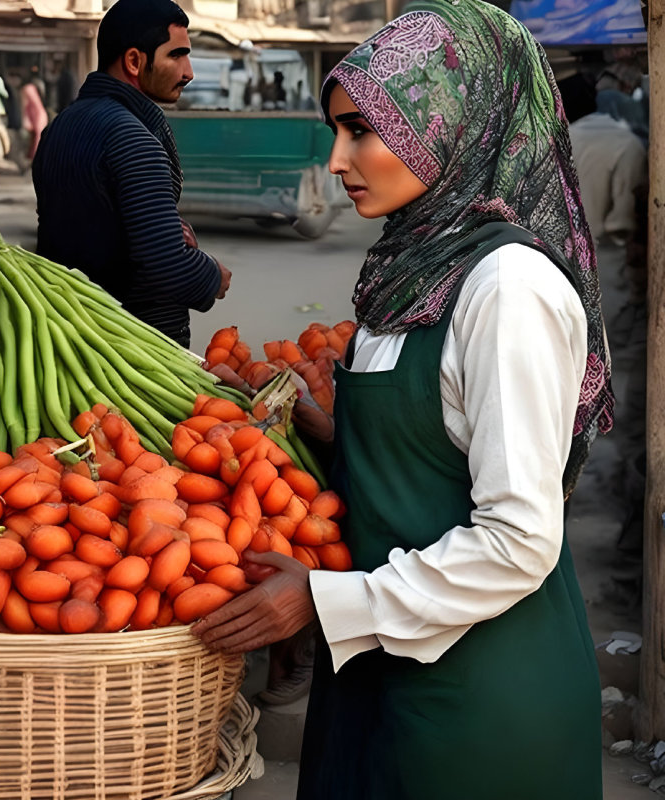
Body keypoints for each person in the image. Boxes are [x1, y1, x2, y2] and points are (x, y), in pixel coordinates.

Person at [192, 2, 614, 797]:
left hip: (478, 701)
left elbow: (521, 539)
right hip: (374, 675)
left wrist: (322, 602)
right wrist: (323, 433)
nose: (339, 159)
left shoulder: (506, 286)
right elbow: (425, 450)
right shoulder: (413, 269)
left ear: (455, 125)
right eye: (336, 131)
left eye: (362, 130)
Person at [32, 0, 231, 348]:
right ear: (135, 61)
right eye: (176, 55)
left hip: (67, 334)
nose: (189, 72)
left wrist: (163, 230)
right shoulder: (132, 139)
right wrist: (213, 274)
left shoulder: (59, 127)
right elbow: (168, 267)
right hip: (133, 347)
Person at [559, 73, 647, 245]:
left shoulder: (557, 142)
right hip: (609, 259)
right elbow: (622, 220)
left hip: (562, 253)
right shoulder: (628, 145)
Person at [20, 72, 49, 163]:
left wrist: (24, 119)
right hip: (39, 115)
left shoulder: (26, 89)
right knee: (37, 138)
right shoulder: (32, 88)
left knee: (36, 138)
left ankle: (35, 159)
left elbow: (24, 106)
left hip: (37, 116)